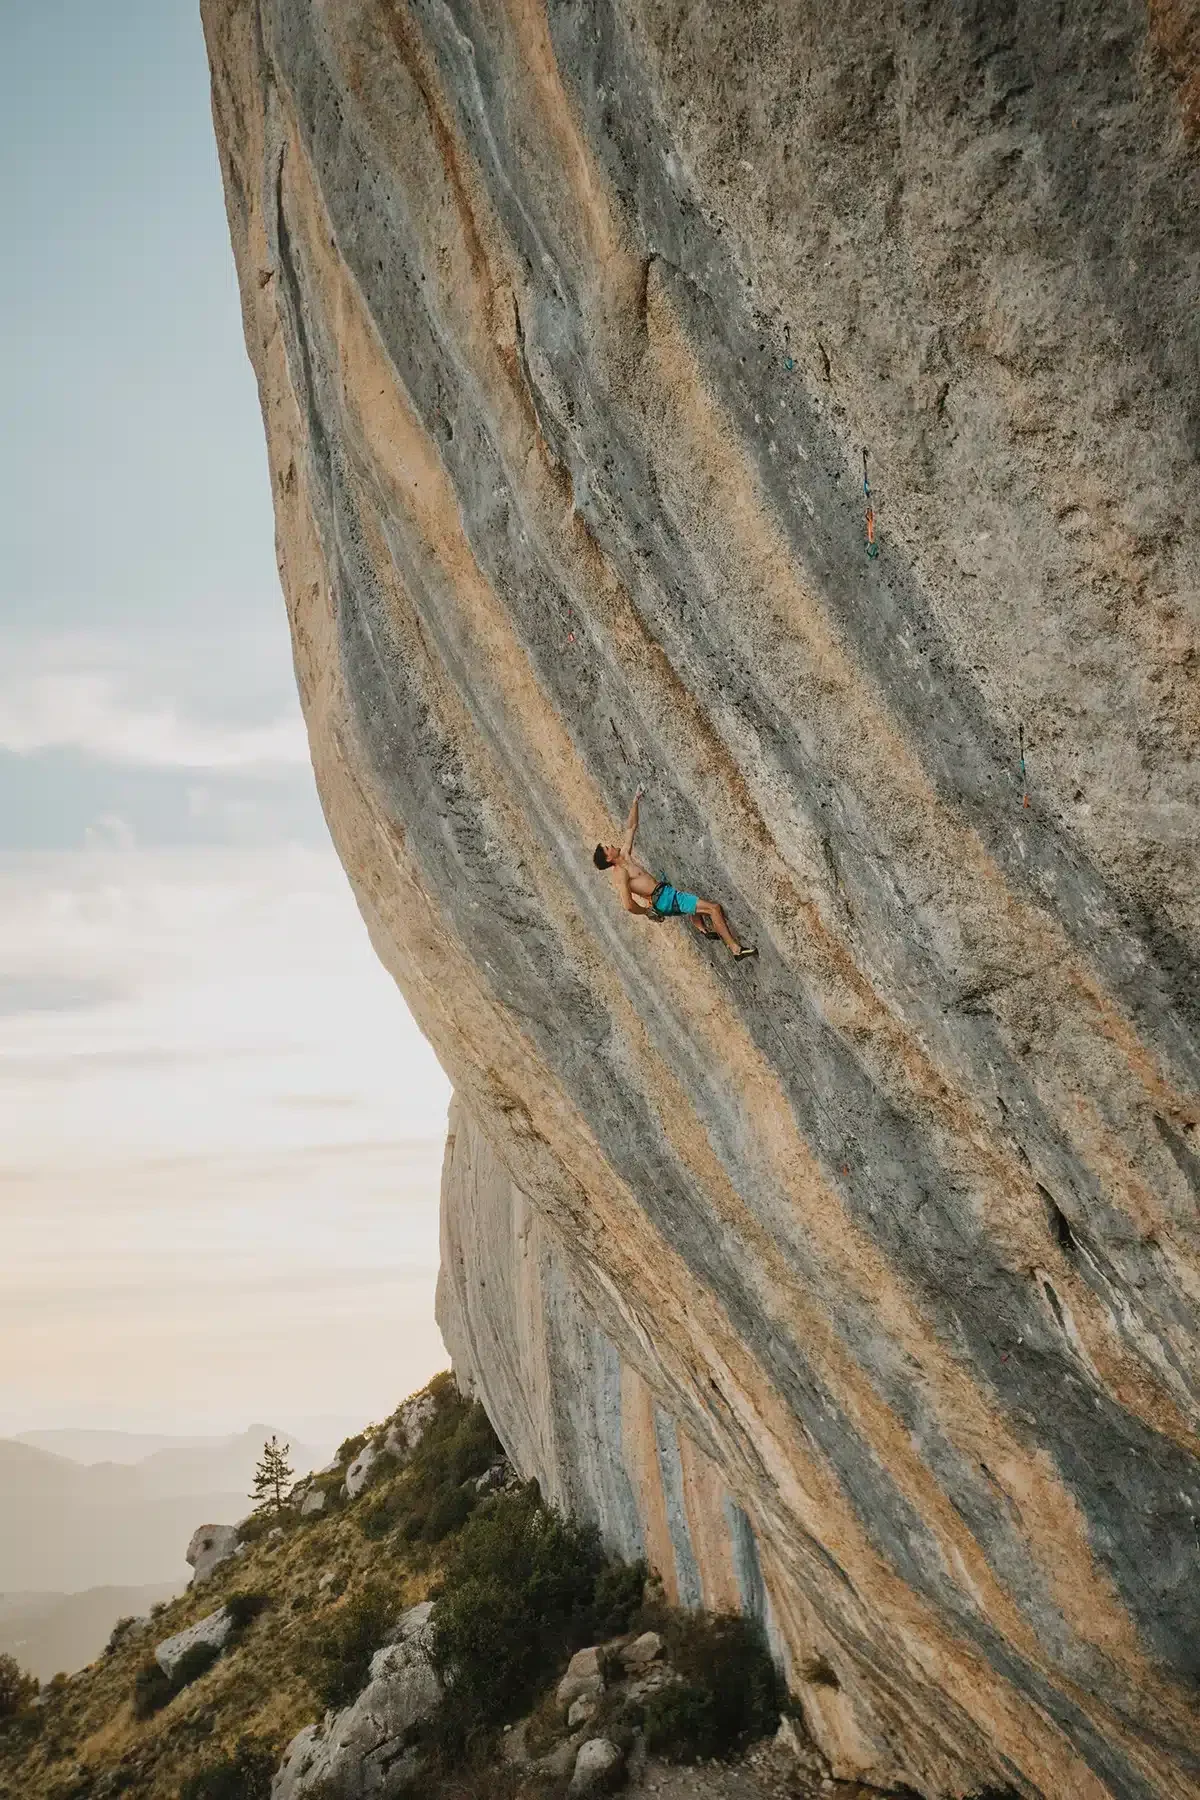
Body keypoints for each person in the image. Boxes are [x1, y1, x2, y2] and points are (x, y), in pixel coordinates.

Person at [593, 787, 757, 959]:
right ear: (609, 858)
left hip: (664, 895)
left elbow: (631, 826)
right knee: (713, 909)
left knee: (691, 903)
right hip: (664, 899)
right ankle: (736, 949)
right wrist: (646, 912)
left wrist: (635, 801)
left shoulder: (625, 855)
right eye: (607, 848)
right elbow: (627, 904)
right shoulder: (620, 874)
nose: (610, 845)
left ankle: (701, 928)